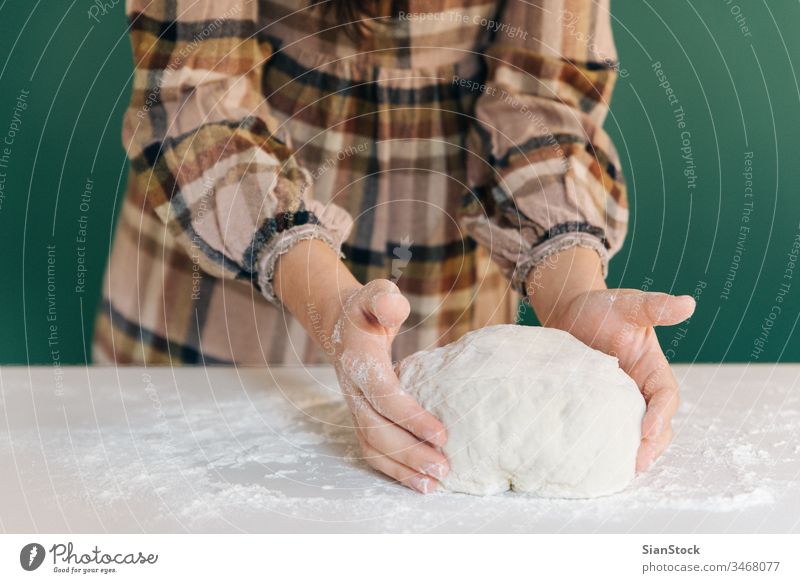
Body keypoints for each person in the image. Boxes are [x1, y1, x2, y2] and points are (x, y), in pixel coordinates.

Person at [94, 0, 696, 493]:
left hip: (451, 281)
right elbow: (195, 96)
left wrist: (571, 289)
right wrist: (323, 296)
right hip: (216, 260)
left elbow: (541, 99)